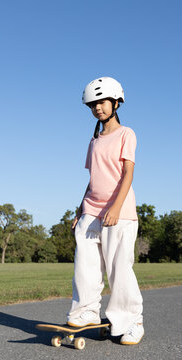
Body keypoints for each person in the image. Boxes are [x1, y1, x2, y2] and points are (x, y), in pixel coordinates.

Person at [67, 77, 144, 345]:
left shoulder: (127, 134)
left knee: (119, 269)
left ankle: (132, 322)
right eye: (93, 105)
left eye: (102, 102)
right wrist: (80, 210)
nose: (97, 108)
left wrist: (116, 206)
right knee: (85, 266)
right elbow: (93, 179)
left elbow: (127, 174)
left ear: (116, 102)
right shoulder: (94, 140)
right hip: (91, 210)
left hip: (118, 212)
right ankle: (86, 311)